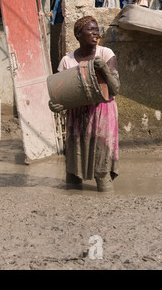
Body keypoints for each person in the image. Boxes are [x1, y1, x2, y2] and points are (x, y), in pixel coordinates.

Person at [49, 15, 120, 192]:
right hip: (77, 118)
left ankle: (106, 211)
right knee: (72, 173)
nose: (96, 33)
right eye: (91, 30)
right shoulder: (67, 61)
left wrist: (103, 68)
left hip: (102, 115)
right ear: (78, 34)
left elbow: (115, 88)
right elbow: (60, 95)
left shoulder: (105, 54)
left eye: (97, 30)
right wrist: (55, 105)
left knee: (101, 171)